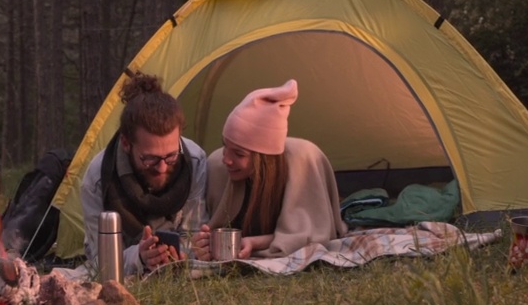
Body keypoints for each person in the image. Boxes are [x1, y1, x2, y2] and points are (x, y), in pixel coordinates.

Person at [192, 79, 346, 260]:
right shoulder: (218, 166)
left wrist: (255, 242)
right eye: (225, 146)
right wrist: (203, 243)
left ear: (263, 159)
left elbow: (308, 234)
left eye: (239, 154)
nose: (227, 159)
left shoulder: (302, 163)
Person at [80, 72, 208, 276]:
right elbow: (99, 261)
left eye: (171, 156)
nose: (163, 168)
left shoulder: (194, 161)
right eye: (150, 159)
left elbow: (192, 232)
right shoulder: (97, 179)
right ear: (126, 143)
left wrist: (185, 252)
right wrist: (138, 257)